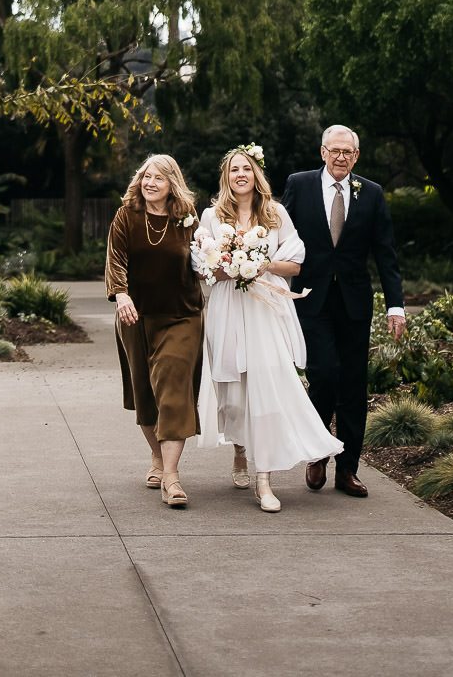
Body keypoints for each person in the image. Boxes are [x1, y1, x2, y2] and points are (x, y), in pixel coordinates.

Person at [194, 144, 343, 512]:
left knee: (266, 388)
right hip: (228, 309)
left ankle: (264, 481)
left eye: (246, 168)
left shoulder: (275, 214)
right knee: (233, 391)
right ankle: (240, 452)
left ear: (256, 174)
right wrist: (225, 267)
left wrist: (262, 266)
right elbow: (201, 267)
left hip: (265, 311)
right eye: (233, 170)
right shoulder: (212, 216)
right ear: (226, 177)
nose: (240, 175)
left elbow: (295, 264)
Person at [280, 124, 405, 498]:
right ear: (322, 152)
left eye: (347, 153)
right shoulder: (299, 185)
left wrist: (395, 305)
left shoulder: (372, 193)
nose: (340, 158)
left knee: (353, 384)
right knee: (324, 375)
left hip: (354, 303)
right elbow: (279, 233)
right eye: (334, 151)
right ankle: (317, 453)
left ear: (356, 156)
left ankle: (347, 469)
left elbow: (386, 254)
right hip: (310, 298)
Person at [106, 154, 204, 508]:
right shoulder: (126, 216)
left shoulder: (188, 220)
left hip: (182, 316)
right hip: (136, 316)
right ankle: (158, 459)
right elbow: (115, 259)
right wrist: (121, 296)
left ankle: (172, 478)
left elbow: (204, 261)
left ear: (171, 184)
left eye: (158, 178)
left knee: (174, 388)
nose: (150, 183)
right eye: (146, 176)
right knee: (145, 393)